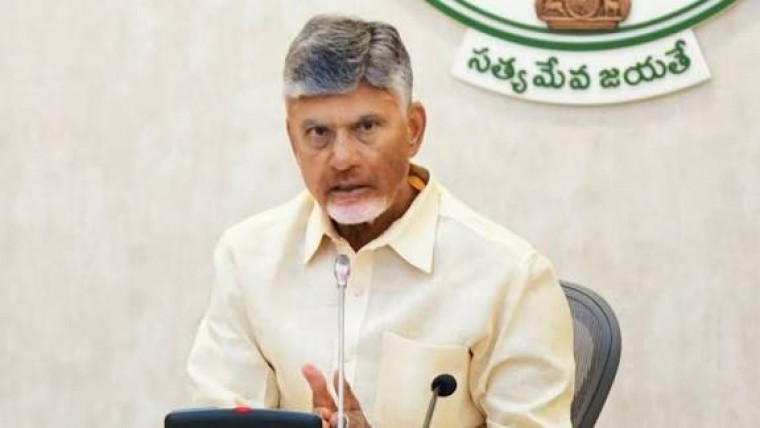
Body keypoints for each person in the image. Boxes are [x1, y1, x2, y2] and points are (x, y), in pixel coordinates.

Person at [187, 14, 575, 428]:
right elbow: (223, 417)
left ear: (413, 129)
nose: (342, 159)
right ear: (293, 141)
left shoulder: (509, 275)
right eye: (318, 133)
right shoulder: (247, 258)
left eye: (366, 127)